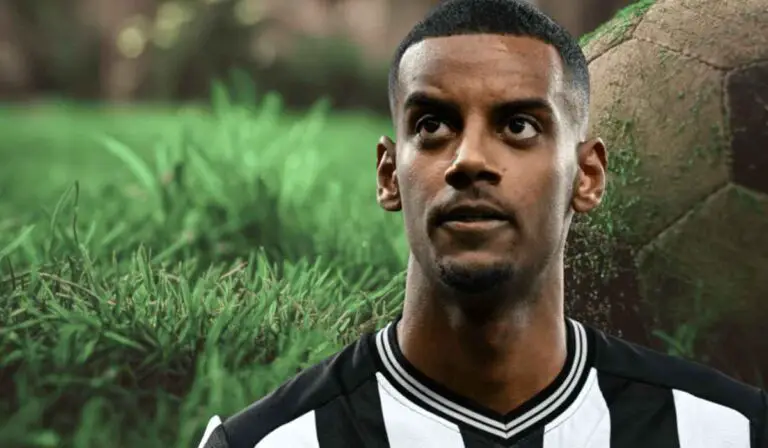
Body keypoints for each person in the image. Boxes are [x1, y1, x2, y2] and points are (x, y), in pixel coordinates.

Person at [197, 0, 768, 446]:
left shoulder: (728, 432)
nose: (468, 158)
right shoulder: (270, 442)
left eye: (518, 125)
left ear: (587, 176)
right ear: (389, 175)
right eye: (432, 126)